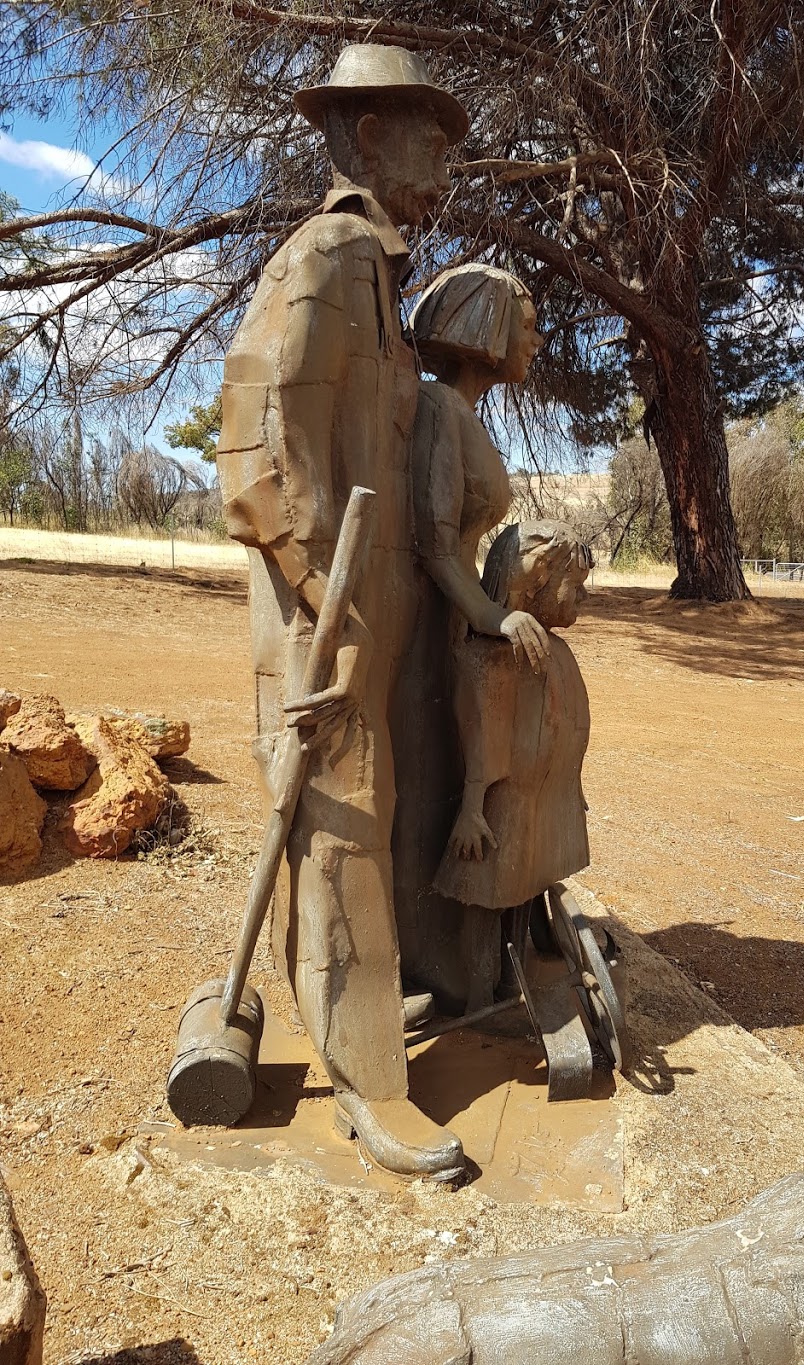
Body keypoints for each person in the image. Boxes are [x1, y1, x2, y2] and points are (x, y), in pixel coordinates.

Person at [215, 44, 468, 1181]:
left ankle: (376, 992)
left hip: (375, 605)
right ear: (367, 139)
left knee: (379, 813)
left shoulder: (381, 276)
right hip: (327, 613)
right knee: (340, 822)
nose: (447, 159)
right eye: (429, 133)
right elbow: (256, 436)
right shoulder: (327, 253)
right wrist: (324, 599)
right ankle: (370, 1083)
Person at [389, 265, 549, 1009]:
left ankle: (464, 954)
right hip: (426, 631)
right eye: (526, 324)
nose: (536, 339)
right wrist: (488, 615)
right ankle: (423, 964)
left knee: (459, 781)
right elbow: (432, 537)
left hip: (457, 624)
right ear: (483, 331)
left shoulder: (465, 412)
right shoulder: (436, 407)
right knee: (425, 791)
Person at [433, 521, 593, 1010]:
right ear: (535, 582)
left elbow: (568, 729)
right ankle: (483, 996)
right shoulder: (491, 662)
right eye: (576, 584)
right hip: (501, 812)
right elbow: (485, 738)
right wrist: (473, 806)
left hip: (544, 803)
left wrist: (572, 785)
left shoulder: (553, 653)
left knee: (524, 888)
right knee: (491, 897)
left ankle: (514, 976)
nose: (583, 596)